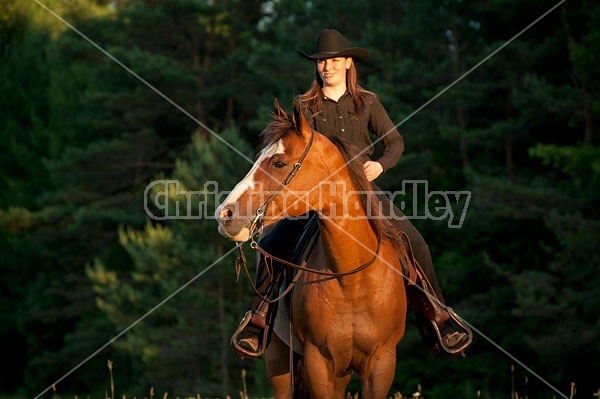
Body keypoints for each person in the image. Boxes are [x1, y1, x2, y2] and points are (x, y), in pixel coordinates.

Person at [231, 29, 472, 359]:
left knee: (414, 241)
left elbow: (395, 142)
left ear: (347, 63)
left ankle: (437, 317)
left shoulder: (368, 102)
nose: (326, 67)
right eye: (320, 62)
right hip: (315, 196)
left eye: (333, 61)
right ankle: (258, 319)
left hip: (365, 193)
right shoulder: (303, 106)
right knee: (272, 244)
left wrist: (380, 167)